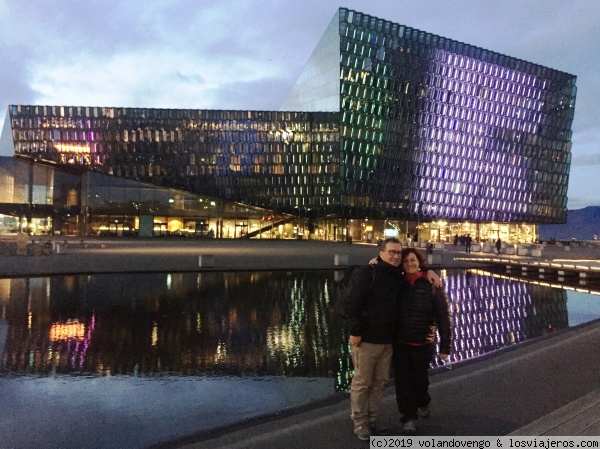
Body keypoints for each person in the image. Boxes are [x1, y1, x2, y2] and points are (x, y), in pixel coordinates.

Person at [344, 239, 441, 441]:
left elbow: (414, 267)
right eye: (392, 252)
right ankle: (360, 423)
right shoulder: (367, 272)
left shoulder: (398, 275)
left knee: (379, 383)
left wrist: (429, 270)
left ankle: (372, 420)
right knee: (362, 383)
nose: (396, 256)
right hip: (367, 340)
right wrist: (355, 331)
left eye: (398, 253)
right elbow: (350, 305)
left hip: (389, 342)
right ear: (381, 253)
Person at [393, 248, 452, 435]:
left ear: (419, 262)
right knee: (403, 384)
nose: (410, 264)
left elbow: (443, 317)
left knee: (420, 380)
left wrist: (445, 345)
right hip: (400, 343)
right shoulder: (397, 284)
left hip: (423, 343)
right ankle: (408, 418)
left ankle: (423, 401)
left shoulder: (431, 285)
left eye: (413, 260)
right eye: (406, 262)